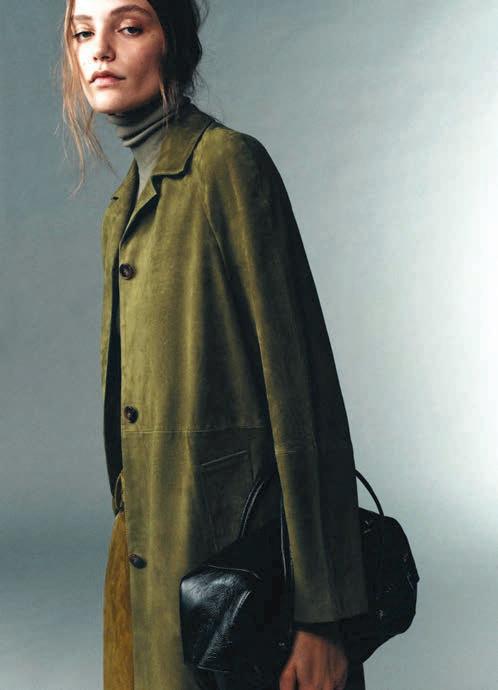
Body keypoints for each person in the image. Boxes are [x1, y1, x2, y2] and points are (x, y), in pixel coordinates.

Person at [60, 1, 370, 689]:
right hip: (144, 568)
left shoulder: (228, 166)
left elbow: (304, 394)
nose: (99, 49)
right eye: (83, 32)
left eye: (128, 27)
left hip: (237, 576)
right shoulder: (121, 209)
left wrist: (322, 616)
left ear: (173, 42)